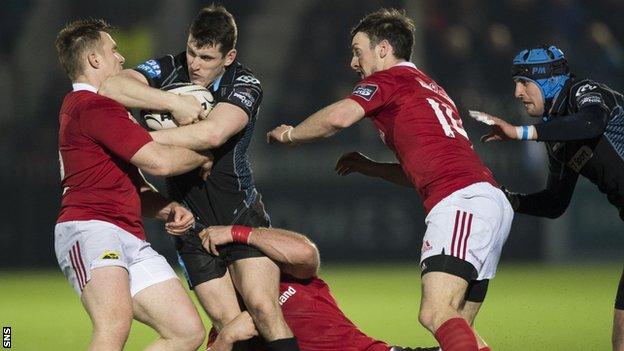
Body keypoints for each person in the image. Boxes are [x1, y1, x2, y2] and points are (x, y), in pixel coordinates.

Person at [267, 8, 514, 351]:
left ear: (383, 49)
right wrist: (371, 167)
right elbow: (423, 169)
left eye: (358, 51)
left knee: (434, 312)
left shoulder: (389, 79)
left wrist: (291, 135)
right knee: (457, 331)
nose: (354, 63)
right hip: (484, 201)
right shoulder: (431, 88)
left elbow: (339, 118)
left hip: (461, 201)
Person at [98, 5, 299, 350]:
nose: (194, 64)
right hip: (191, 225)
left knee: (264, 310)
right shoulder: (167, 67)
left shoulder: (245, 83)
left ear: (229, 56)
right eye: (191, 51)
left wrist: (138, 139)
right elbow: (111, 87)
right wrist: (172, 103)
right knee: (229, 326)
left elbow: (213, 134)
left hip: (239, 212)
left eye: (206, 57)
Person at [54, 19, 211, 350]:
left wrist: (166, 208)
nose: (121, 58)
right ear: (94, 60)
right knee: (114, 323)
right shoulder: (91, 105)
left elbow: (131, 186)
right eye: (113, 50)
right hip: (90, 227)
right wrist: (209, 152)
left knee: (186, 331)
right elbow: (161, 162)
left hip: (126, 231)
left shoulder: (100, 109)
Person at [469, 44, 624, 351]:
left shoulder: (584, 92)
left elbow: (590, 123)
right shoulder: (556, 140)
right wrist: (506, 199)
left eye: (524, 82)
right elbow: (555, 203)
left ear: (550, 79)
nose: (517, 92)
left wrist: (521, 132)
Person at [199, 225, 440, 351]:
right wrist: (227, 338)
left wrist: (239, 233)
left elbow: (306, 252)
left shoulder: (291, 274)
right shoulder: (229, 316)